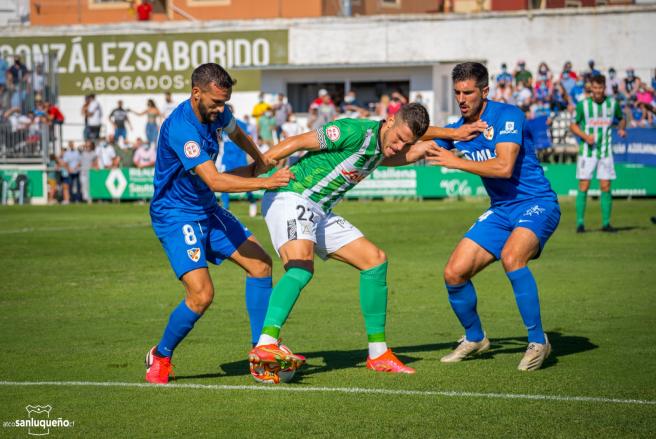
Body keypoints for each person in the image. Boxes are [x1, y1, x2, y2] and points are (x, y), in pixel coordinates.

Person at [246, 102, 485, 382]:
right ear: (389, 120)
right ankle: (265, 344)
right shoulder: (353, 131)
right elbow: (298, 141)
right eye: (398, 139)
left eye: (406, 143)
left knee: (375, 261)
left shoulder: (384, 145)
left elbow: (395, 154)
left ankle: (378, 354)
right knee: (300, 267)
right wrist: (259, 176)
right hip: (291, 196)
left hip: (319, 210)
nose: (398, 147)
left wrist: (448, 136)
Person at [144, 63, 293, 384]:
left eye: (224, 102)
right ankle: (161, 355)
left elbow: (237, 131)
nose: (221, 109)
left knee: (261, 265)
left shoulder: (216, 112)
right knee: (201, 295)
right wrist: (265, 180)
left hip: (206, 208)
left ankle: (261, 351)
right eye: (215, 102)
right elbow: (214, 180)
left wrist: (261, 158)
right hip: (176, 214)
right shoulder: (182, 128)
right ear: (196, 93)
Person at [424, 62, 559, 371]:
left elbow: (503, 167)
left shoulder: (508, 115)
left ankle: (538, 341)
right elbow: (417, 148)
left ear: (484, 91)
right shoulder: (459, 128)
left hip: (536, 203)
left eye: (468, 92)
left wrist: (453, 161)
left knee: (513, 257)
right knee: (454, 273)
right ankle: (475, 338)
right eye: (457, 92)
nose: (462, 98)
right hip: (501, 211)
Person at [570, 74, 626, 233]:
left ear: (604, 88)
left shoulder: (612, 104)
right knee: (584, 185)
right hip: (587, 152)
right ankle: (580, 223)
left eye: (600, 88)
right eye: (595, 88)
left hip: (605, 151)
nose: (598, 91)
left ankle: (606, 223)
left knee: (605, 186)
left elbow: (621, 118)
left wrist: (621, 128)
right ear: (591, 88)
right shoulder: (583, 105)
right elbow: (573, 126)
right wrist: (585, 137)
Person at [215, 104, 258, 217]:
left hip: (239, 158)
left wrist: (252, 155)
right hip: (226, 159)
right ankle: (226, 208)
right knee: (224, 182)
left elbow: (249, 139)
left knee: (246, 183)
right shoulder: (219, 126)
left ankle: (252, 201)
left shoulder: (241, 124)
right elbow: (218, 139)